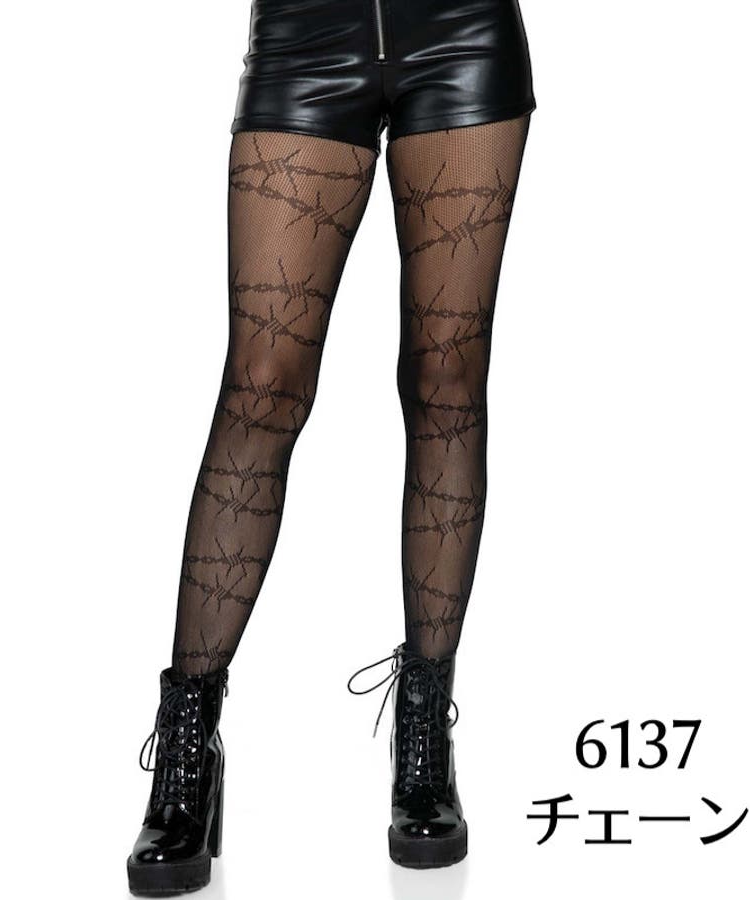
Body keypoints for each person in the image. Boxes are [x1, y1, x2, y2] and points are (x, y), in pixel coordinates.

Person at [127, 0, 536, 893]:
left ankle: (424, 742)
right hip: (306, 37)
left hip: (462, 33)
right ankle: (189, 750)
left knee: (447, 376)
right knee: (262, 386)